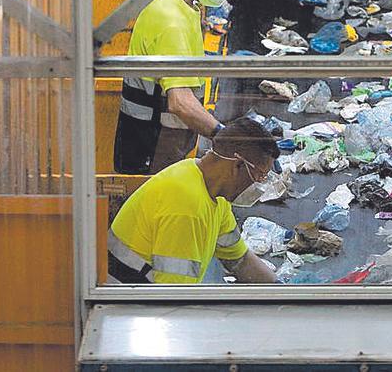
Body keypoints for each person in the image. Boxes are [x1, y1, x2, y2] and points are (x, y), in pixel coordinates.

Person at [113, 0, 241, 175]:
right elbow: (179, 102)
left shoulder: (184, 4)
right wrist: (222, 135)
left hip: (164, 146)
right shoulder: (170, 20)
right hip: (150, 154)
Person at [106, 114, 280, 284]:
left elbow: (240, 260)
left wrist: (281, 291)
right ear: (238, 165)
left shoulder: (213, 192)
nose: (259, 186)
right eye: (260, 176)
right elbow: (173, 299)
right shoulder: (186, 205)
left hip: (151, 300)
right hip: (129, 306)